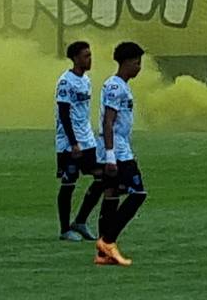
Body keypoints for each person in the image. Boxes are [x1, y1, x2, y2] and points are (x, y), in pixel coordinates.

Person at [94, 41, 147, 267]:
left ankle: (104, 255)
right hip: (117, 149)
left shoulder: (119, 85)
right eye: (137, 63)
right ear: (126, 62)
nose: (139, 68)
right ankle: (108, 240)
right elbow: (108, 121)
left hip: (117, 146)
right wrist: (111, 156)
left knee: (111, 193)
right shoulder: (116, 87)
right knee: (138, 193)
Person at [55, 40, 105, 242]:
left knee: (102, 177)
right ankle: (65, 229)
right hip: (70, 142)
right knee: (69, 183)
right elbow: (64, 114)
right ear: (75, 58)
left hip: (87, 139)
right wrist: (73, 142)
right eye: (86, 56)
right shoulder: (66, 82)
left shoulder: (86, 80)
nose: (90, 59)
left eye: (90, 55)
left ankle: (81, 221)